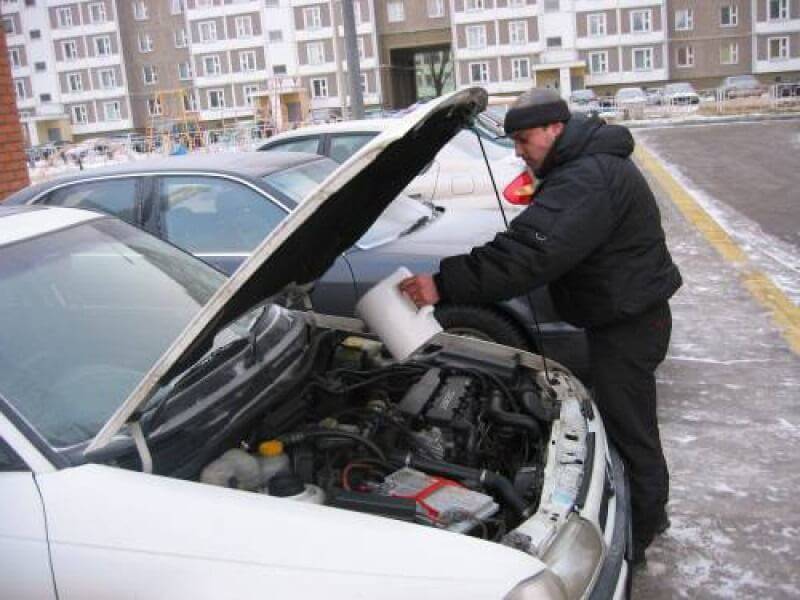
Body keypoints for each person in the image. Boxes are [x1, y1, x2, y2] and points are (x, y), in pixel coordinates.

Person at [398, 87, 682, 564]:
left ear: (555, 129)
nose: (518, 151)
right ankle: (648, 513)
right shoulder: (584, 167)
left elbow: (529, 254)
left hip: (628, 324)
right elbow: (540, 239)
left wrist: (442, 285)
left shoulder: (587, 177)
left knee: (632, 437)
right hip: (626, 315)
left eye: (524, 139)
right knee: (626, 428)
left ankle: (637, 540)